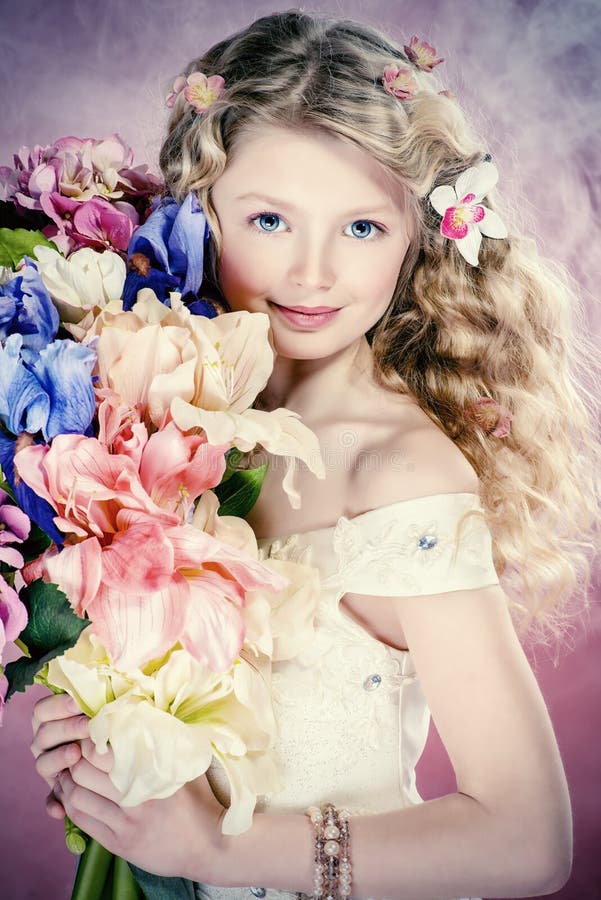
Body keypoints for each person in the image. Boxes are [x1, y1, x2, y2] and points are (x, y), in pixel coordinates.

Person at [29, 10, 601, 900]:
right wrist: (100, 743)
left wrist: (214, 854)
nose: (312, 273)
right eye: (268, 219)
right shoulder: (151, 421)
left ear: (420, 233)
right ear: (200, 210)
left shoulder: (397, 473)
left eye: (361, 229)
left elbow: (528, 838)